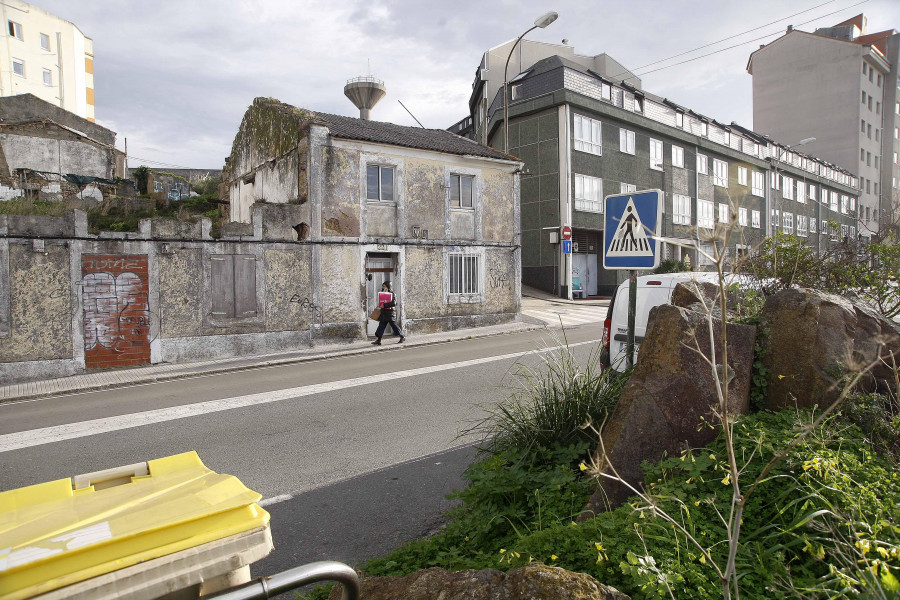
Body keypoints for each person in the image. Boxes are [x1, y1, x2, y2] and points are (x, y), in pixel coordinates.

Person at [372, 281, 405, 345]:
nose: (383, 287)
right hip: (384, 313)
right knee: (381, 326)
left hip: (390, 313)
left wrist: (385, 305)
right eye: (383, 286)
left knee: (394, 326)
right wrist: (380, 305)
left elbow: (394, 303)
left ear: (388, 286)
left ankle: (402, 337)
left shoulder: (392, 294)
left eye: (384, 286)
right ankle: (378, 340)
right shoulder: (382, 293)